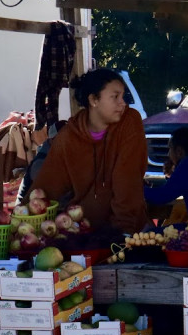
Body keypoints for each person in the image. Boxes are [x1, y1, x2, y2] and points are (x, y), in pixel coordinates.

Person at [30, 68, 148, 233]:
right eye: (115, 97)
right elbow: (46, 186)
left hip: (125, 232)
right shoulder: (68, 137)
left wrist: (123, 233)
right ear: (93, 100)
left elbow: (127, 180)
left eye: (123, 96)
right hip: (82, 232)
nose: (123, 103)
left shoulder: (130, 121)